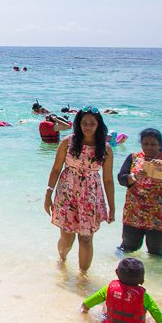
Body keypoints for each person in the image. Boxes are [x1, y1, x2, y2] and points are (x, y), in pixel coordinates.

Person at [43, 107, 115, 272]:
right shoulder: (68, 142)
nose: (87, 127)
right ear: (78, 124)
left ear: (99, 125)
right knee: (67, 238)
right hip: (67, 194)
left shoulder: (105, 149)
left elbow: (108, 180)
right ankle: (62, 261)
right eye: (84, 123)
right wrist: (48, 194)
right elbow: (55, 169)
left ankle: (83, 278)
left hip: (91, 196)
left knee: (86, 238)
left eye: (92, 123)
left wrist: (112, 207)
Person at [118, 128, 162, 257]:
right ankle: (125, 273)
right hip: (134, 212)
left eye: (153, 144)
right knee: (128, 248)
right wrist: (135, 176)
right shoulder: (133, 158)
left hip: (160, 215)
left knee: (156, 253)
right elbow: (122, 179)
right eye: (145, 144)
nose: (149, 147)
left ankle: (156, 275)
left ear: (160, 145)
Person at [81, 258, 162, 323]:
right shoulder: (145, 297)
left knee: (105, 305)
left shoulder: (108, 289)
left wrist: (83, 315)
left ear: (116, 272)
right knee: (153, 321)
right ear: (142, 281)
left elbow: (85, 305)